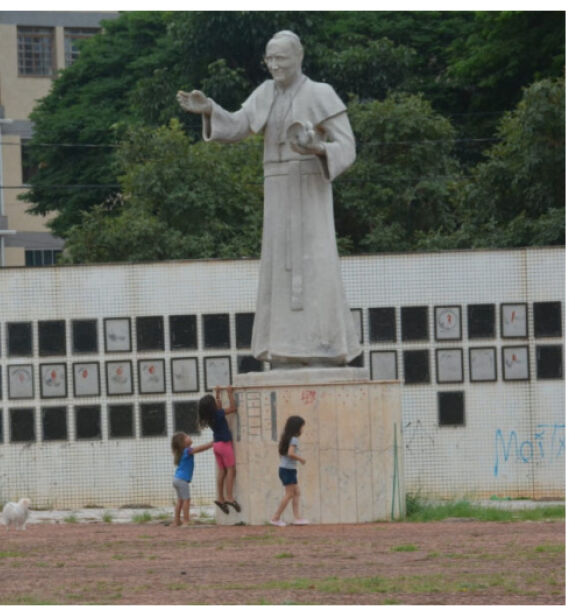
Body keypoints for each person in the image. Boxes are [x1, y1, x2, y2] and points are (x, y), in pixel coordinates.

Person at [177, 30, 361, 366]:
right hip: (277, 191)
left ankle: (325, 348)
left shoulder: (321, 93)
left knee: (316, 266)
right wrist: (209, 109)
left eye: (281, 58)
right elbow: (238, 125)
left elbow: (347, 148)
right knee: (278, 269)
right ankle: (284, 350)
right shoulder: (265, 93)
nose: (274, 65)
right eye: (270, 59)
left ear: (299, 56)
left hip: (309, 189)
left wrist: (317, 147)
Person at [198, 386, 241, 514]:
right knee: (231, 470)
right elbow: (233, 408)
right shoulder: (218, 414)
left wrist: (217, 394)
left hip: (216, 446)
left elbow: (219, 406)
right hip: (225, 445)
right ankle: (229, 497)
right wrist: (229, 393)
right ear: (213, 406)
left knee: (222, 471)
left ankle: (221, 498)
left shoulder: (210, 417)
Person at [270, 415, 309, 526]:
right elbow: (290, 453)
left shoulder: (286, 438)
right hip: (288, 470)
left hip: (285, 469)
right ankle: (275, 518)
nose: (302, 429)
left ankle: (297, 518)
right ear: (297, 428)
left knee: (296, 492)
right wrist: (301, 459)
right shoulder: (294, 439)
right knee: (289, 494)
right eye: (302, 427)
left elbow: (282, 454)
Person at [171, 431, 213, 527]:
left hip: (176, 479)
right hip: (182, 480)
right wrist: (212, 443)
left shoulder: (182, 453)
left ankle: (176, 521)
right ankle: (186, 521)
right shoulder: (187, 451)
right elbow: (200, 448)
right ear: (183, 442)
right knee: (186, 500)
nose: (189, 437)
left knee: (180, 500)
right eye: (187, 437)